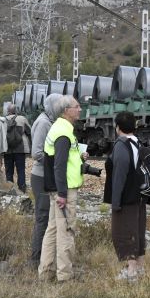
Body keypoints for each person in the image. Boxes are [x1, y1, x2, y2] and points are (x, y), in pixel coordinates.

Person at [38, 95, 85, 282]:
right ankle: (65, 276)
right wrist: (62, 194)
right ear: (66, 110)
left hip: (56, 189)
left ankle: (46, 272)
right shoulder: (64, 133)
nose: (80, 109)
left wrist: (80, 157)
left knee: (52, 230)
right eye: (77, 106)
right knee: (66, 231)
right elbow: (59, 165)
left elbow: (61, 160)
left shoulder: (59, 127)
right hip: (64, 190)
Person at [104, 111, 149, 281]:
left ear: (117, 128)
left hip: (126, 197)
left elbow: (119, 175)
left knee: (124, 232)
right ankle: (140, 268)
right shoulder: (138, 143)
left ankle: (131, 272)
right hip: (140, 196)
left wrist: (115, 201)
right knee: (138, 231)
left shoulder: (121, 145)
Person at [30, 93, 62, 267]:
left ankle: (44, 258)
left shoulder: (49, 121)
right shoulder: (43, 123)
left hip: (45, 175)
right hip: (41, 176)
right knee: (42, 217)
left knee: (46, 217)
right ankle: (36, 259)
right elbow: (36, 153)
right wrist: (57, 161)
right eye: (59, 106)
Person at [4, 105, 31, 193]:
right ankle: (22, 189)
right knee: (21, 170)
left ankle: (10, 189)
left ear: (8, 111)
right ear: (16, 110)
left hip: (7, 149)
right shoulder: (22, 119)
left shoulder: (3, 120)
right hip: (20, 149)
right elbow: (29, 131)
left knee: (9, 171)